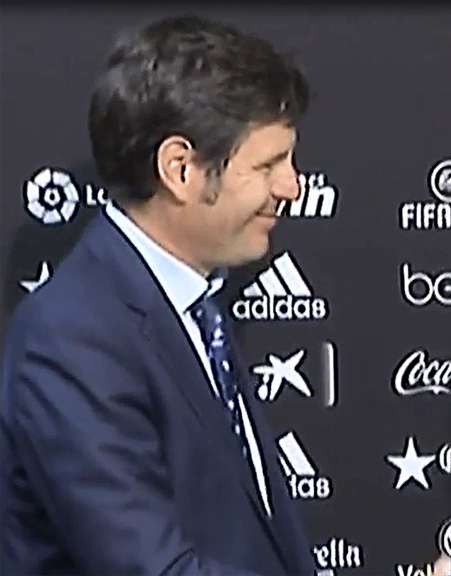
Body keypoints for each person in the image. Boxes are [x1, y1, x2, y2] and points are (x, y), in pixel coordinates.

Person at [0, 15, 316, 575]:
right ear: (180, 169)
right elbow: (153, 568)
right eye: (268, 164)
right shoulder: (72, 340)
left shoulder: (196, 307)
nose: (292, 187)